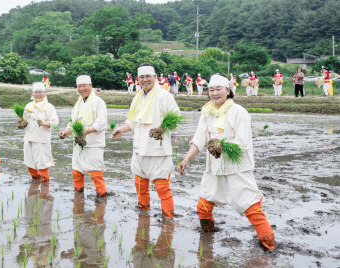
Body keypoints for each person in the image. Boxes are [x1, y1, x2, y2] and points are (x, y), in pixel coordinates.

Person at [176, 73, 276, 251]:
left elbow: (243, 142)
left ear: (228, 91)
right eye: (211, 90)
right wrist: (186, 159)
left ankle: (269, 244)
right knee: (203, 207)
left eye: (219, 89)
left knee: (252, 209)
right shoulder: (207, 112)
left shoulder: (239, 112)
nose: (214, 93)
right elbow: (199, 139)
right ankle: (206, 240)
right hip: (214, 169)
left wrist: (222, 146)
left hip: (236, 170)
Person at [113, 63, 180, 217]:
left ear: (155, 77)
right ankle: (144, 213)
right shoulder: (137, 98)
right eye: (142, 77)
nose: (145, 80)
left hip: (158, 149)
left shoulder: (164, 96)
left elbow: (176, 118)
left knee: (162, 187)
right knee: (140, 184)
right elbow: (133, 121)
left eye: (148, 76)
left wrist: (163, 128)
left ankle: (168, 218)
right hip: (139, 148)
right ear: (138, 79)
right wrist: (122, 129)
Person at [59, 74, 108, 198]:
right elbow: (73, 122)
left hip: (93, 144)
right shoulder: (78, 103)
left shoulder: (98, 102)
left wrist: (86, 131)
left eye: (84, 86)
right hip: (79, 144)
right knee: (76, 171)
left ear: (91, 86)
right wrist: (66, 131)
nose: (81, 89)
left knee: (96, 173)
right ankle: (78, 195)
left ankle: (101, 197)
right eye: (79, 86)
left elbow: (101, 123)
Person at [20, 82, 59, 182]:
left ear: (44, 93)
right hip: (29, 138)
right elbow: (25, 121)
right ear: (32, 94)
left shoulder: (49, 107)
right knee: (29, 162)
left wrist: (43, 123)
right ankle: (35, 181)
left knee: (42, 163)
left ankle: (45, 185)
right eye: (36, 92)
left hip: (42, 140)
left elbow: (55, 122)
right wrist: (21, 121)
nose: (38, 94)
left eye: (40, 92)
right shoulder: (29, 106)